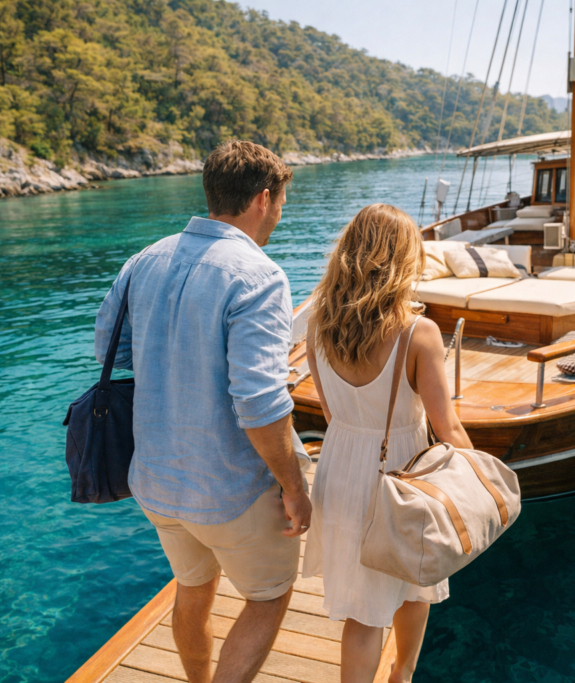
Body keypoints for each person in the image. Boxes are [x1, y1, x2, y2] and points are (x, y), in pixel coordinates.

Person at [94, 140, 311, 683]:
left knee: (194, 586)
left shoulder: (144, 259)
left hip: (158, 482)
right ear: (264, 199)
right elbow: (260, 404)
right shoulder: (260, 277)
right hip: (228, 489)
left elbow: (110, 353)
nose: (279, 214)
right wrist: (294, 486)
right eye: (281, 202)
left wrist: (175, 361)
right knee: (268, 597)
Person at [303, 204, 473, 683]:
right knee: (415, 584)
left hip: (340, 469)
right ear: (404, 259)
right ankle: (402, 676)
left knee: (365, 610)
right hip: (403, 475)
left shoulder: (318, 325)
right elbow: (448, 428)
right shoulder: (418, 333)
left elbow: (333, 414)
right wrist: (487, 481)